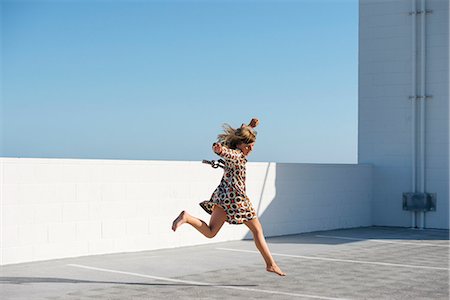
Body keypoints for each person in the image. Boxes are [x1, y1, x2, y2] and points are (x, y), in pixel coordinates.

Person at [172, 118, 286, 276]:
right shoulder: (237, 155)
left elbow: (238, 137)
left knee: (211, 232)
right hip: (237, 200)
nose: (250, 149)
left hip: (222, 198)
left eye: (252, 146)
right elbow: (228, 153)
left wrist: (250, 127)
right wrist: (219, 151)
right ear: (240, 145)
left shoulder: (238, 149)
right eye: (248, 146)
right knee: (257, 230)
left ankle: (187, 217)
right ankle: (270, 264)